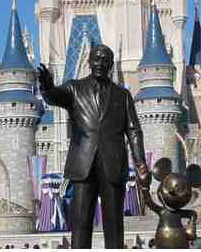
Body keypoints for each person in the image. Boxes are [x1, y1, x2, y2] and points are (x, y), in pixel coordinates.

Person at [38, 45, 149, 249]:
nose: (100, 63)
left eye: (105, 59)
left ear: (111, 64)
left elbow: (134, 130)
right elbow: (54, 97)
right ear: (89, 62)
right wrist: (46, 86)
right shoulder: (74, 88)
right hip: (83, 164)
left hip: (113, 164)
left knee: (114, 225)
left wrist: (140, 162)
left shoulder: (122, 95)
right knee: (80, 223)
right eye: (96, 59)